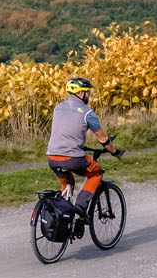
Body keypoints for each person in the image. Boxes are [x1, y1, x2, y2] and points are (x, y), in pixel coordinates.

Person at [46, 75, 114, 203]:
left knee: (67, 183)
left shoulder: (58, 108)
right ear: (81, 93)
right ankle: (81, 210)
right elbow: (103, 138)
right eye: (88, 92)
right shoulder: (88, 113)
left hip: (52, 157)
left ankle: (64, 212)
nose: (89, 95)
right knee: (96, 173)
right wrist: (114, 151)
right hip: (72, 159)